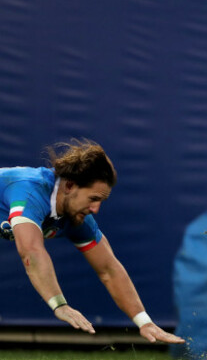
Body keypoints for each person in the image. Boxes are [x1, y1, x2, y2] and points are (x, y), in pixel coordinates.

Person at [0, 139, 184, 344]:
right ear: (69, 185)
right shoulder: (30, 191)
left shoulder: (78, 217)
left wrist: (144, 322)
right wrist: (60, 305)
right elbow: (31, 251)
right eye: (93, 199)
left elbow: (109, 269)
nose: (96, 209)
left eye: (101, 202)